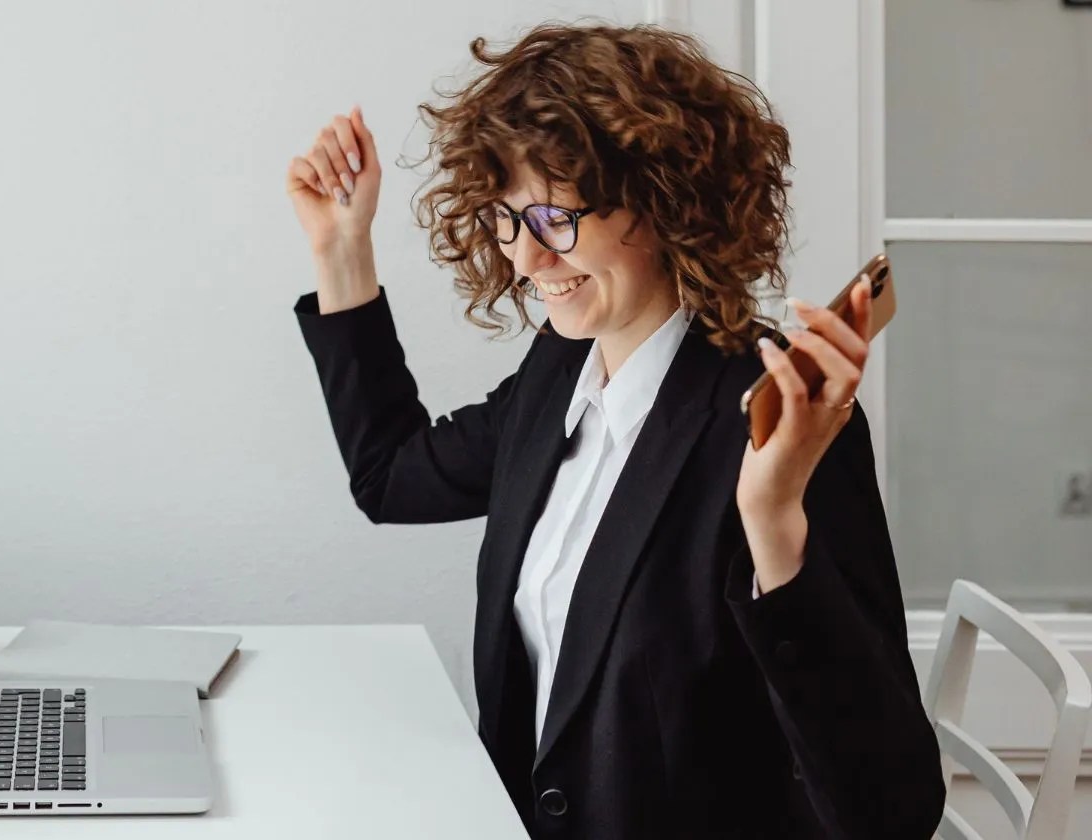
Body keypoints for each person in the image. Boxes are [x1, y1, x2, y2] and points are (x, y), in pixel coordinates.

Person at [284, 22, 945, 839]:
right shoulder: (561, 371)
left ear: (666, 204)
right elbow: (391, 476)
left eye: (555, 218)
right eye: (506, 218)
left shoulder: (781, 420)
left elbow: (891, 812)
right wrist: (342, 251)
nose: (526, 261)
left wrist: (773, 521)